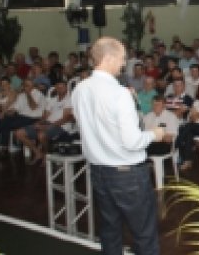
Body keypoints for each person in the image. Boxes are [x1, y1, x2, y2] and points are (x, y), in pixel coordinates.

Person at [72, 37, 170, 255]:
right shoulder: (118, 94)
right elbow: (132, 141)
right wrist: (154, 134)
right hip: (127, 175)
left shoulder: (79, 89)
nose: (124, 63)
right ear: (108, 58)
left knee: (109, 231)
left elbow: (91, 127)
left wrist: (131, 104)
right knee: (144, 234)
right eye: (122, 58)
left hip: (98, 171)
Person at [15, 81, 74, 165]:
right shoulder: (53, 100)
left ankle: (47, 155)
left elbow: (66, 118)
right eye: (58, 87)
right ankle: (38, 153)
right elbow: (45, 116)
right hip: (48, 123)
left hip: (62, 126)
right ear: (55, 88)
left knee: (41, 135)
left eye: (62, 87)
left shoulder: (70, 99)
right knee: (19, 133)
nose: (60, 89)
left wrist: (48, 126)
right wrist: (39, 123)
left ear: (66, 88)